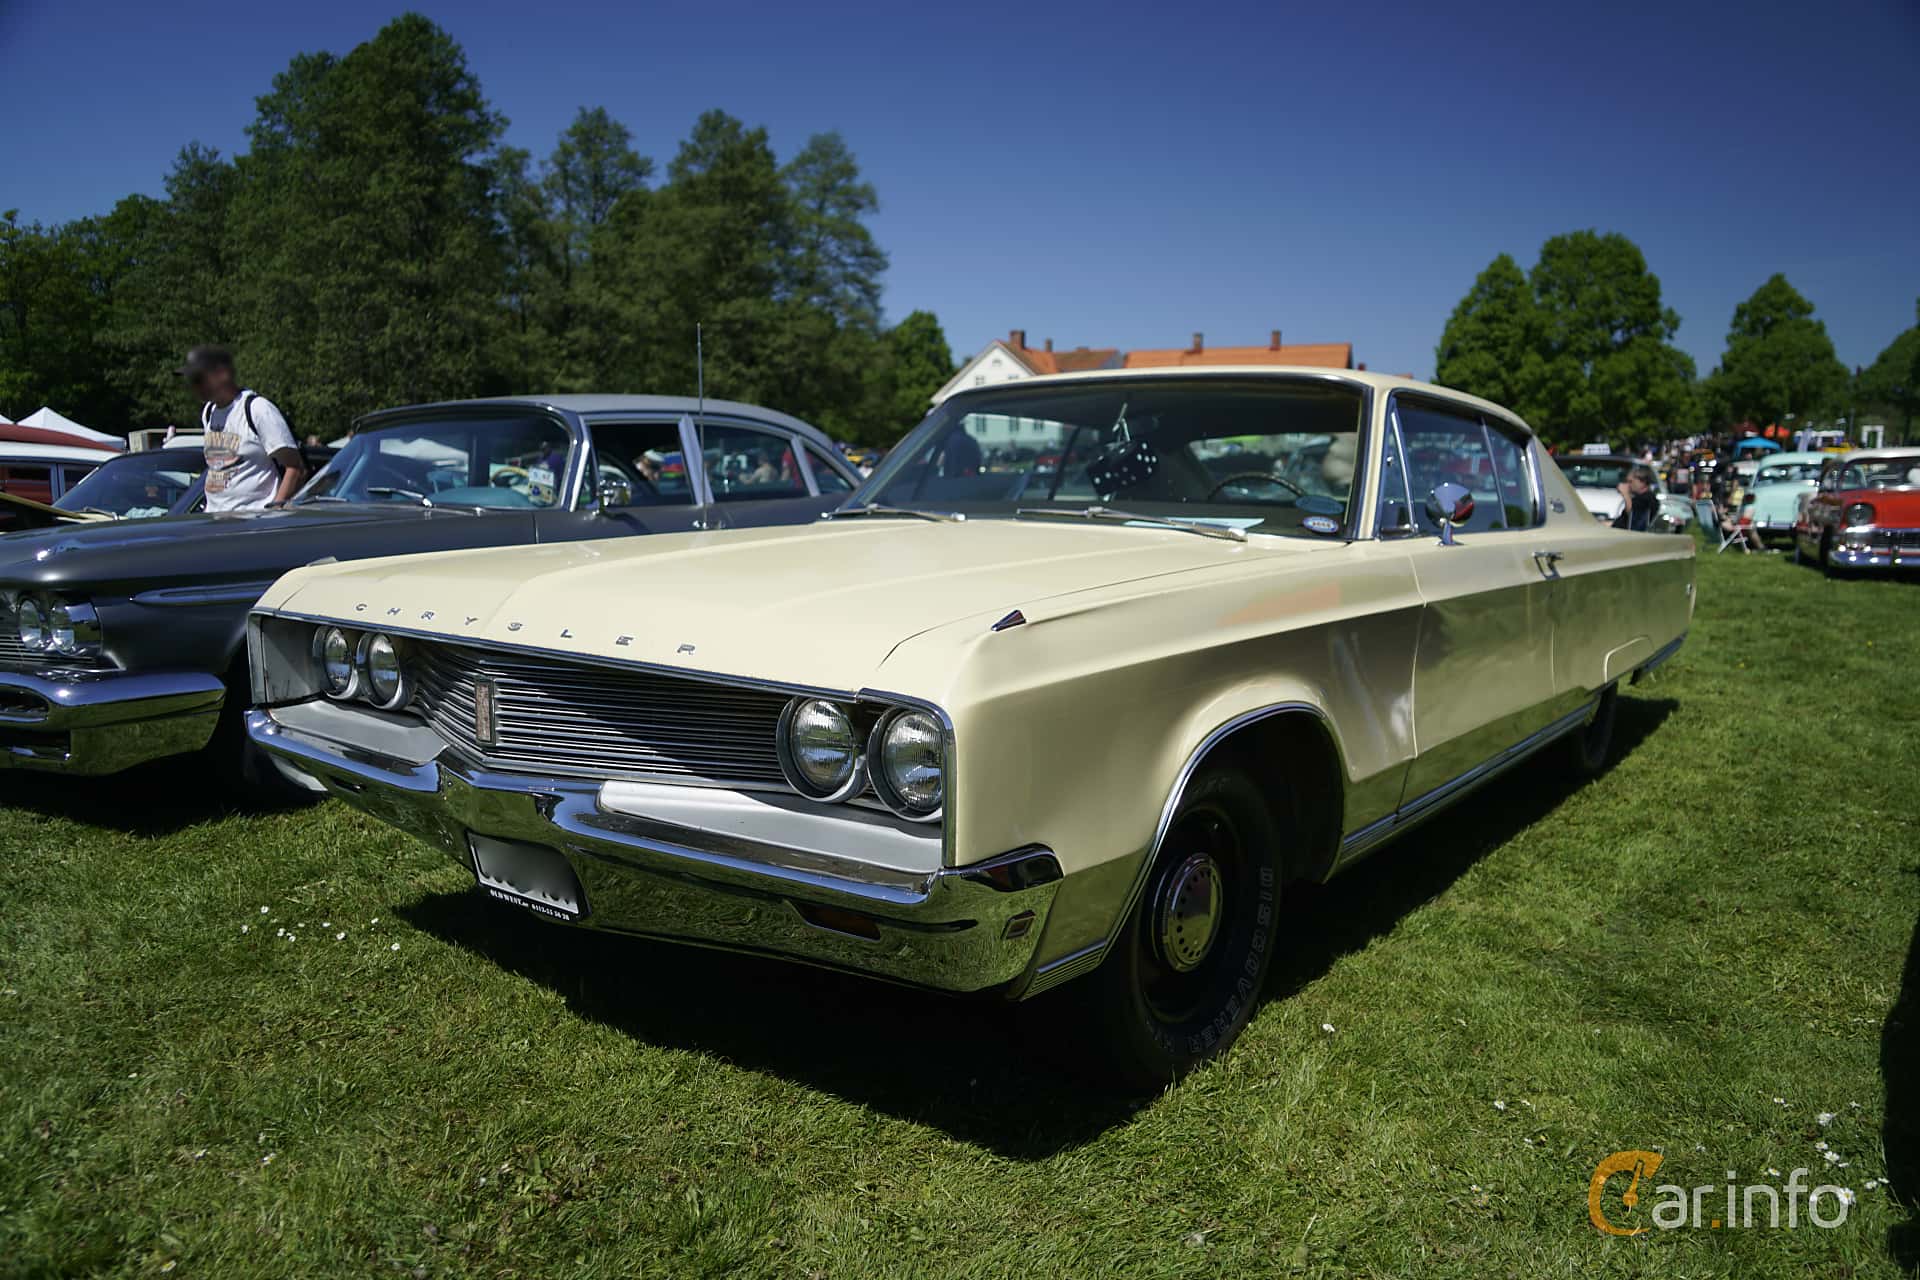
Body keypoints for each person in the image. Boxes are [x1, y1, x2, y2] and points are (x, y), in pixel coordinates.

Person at [176, 346, 306, 511]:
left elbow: (295, 468)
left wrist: (273, 512)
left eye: (199, 379)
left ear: (222, 374)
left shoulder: (257, 409)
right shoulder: (209, 412)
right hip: (215, 520)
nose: (195, 387)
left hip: (253, 520)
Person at [1612, 464, 1660, 531]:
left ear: (1642, 482)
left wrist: (1626, 495)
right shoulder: (1638, 498)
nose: (1628, 485)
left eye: (1631, 481)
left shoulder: (1647, 499)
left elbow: (1633, 516)